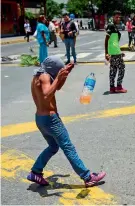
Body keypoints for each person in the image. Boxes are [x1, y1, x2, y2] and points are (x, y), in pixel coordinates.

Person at [27, 56, 106, 187]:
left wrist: (65, 75)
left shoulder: (38, 76)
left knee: (53, 147)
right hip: (51, 119)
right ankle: (87, 177)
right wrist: (58, 77)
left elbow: (56, 88)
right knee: (68, 147)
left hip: (40, 119)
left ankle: (36, 171)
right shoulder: (45, 77)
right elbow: (47, 96)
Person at [105, 10, 127, 94]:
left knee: (113, 70)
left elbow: (114, 42)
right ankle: (118, 86)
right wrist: (106, 53)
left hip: (115, 52)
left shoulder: (114, 26)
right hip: (114, 53)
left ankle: (112, 88)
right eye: (116, 17)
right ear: (113, 17)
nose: (118, 18)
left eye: (119, 17)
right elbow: (106, 40)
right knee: (121, 68)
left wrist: (120, 52)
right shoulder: (111, 26)